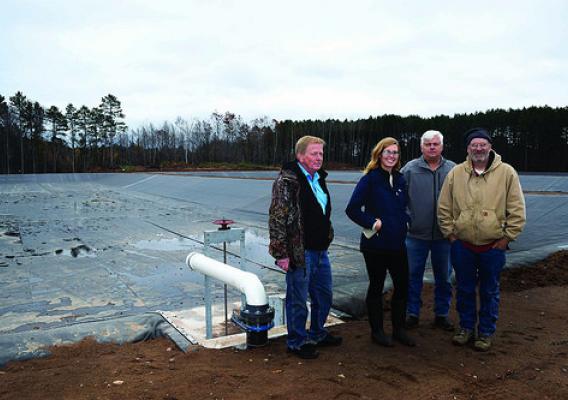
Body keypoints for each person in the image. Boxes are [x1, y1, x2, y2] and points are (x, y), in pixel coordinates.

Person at [438, 128, 526, 351]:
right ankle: (466, 328)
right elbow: (444, 208)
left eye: (482, 144)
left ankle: (485, 332)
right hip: (463, 245)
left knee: (489, 290)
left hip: (492, 246)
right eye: (474, 145)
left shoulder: (506, 173)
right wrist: (451, 235)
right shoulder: (456, 173)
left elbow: (517, 210)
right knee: (465, 289)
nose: (478, 148)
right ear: (468, 148)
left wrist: (507, 238)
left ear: (490, 146)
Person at [269, 135, 342, 359]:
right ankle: (297, 341)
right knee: (298, 299)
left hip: (321, 250)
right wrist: (281, 254)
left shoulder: (318, 178)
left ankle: (318, 332)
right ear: (300, 156)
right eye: (314, 153)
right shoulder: (287, 181)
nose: (319, 157)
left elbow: (322, 212)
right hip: (300, 252)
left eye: (321, 153)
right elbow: (277, 218)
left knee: (324, 295)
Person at [345, 137, 415, 347]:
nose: (391, 156)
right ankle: (377, 331)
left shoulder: (400, 179)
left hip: (397, 244)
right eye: (388, 152)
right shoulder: (370, 179)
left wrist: (406, 223)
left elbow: (404, 208)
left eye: (395, 153)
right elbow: (352, 209)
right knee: (376, 286)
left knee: (402, 285)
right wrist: (373, 223)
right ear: (379, 154)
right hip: (375, 245)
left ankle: (399, 330)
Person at [401, 130, 456, 331]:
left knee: (444, 276)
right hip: (415, 235)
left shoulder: (453, 170)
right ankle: (412, 313)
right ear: (421, 147)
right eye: (427, 144)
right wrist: (407, 219)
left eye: (435, 144)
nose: (432, 147)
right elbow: (400, 197)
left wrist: (454, 225)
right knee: (412, 275)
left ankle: (441, 314)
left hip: (444, 236)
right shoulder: (410, 169)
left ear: (442, 146)